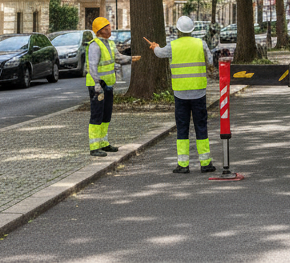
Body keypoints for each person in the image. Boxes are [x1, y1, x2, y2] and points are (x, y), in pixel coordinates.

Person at [144, 15, 216, 174]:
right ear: (192, 30)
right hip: (198, 92)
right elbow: (210, 61)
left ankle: (183, 165)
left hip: (180, 94)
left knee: (182, 128)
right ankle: (205, 163)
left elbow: (160, 53)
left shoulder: (173, 46)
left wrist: (154, 47)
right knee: (201, 126)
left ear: (178, 30)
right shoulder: (201, 44)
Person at [86, 17, 139, 157]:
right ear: (99, 31)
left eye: (109, 27)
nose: (109, 30)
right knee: (97, 115)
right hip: (98, 86)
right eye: (106, 28)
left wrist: (131, 58)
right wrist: (97, 83)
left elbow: (118, 58)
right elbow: (92, 67)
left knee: (106, 115)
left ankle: (104, 143)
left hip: (108, 85)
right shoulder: (95, 45)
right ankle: (94, 147)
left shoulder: (110, 43)